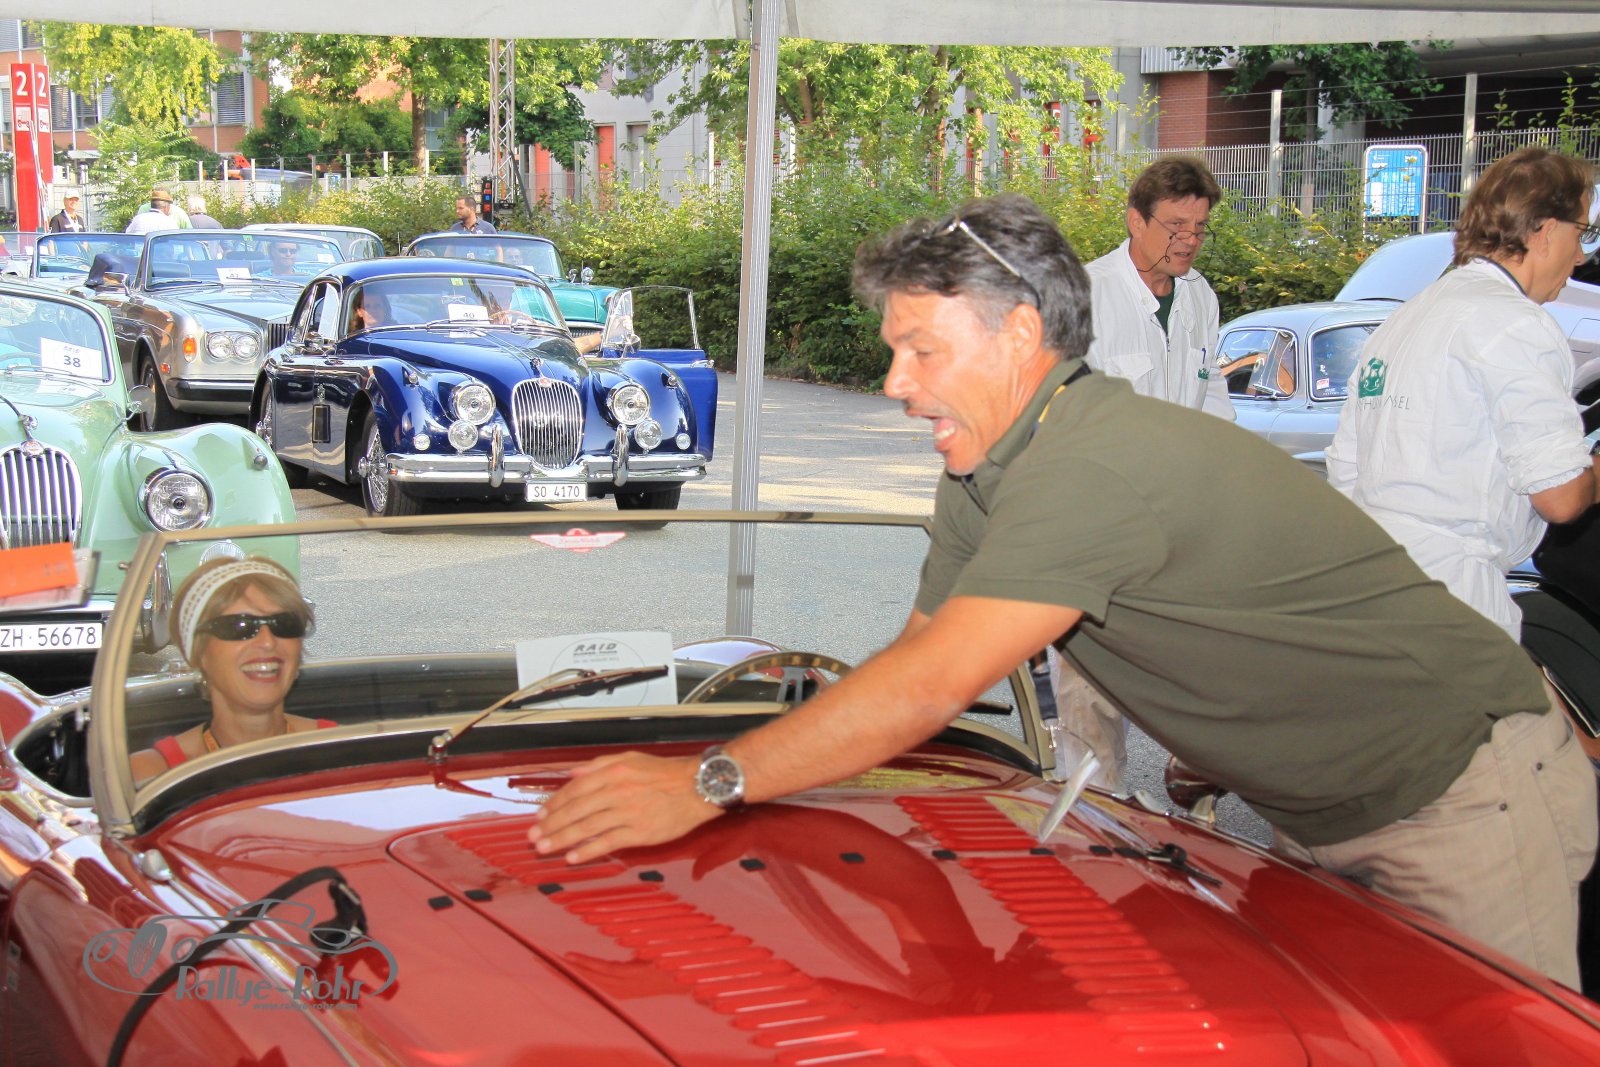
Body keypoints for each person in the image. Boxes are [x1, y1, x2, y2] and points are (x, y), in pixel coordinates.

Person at [528, 193, 1597, 988]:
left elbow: (930, 689)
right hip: (1324, 806)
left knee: (1497, 1040)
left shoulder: (1091, 464)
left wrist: (708, 781)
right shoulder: (982, 469)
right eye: (893, 352)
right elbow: (915, 656)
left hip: (1464, 792)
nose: (895, 383)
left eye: (920, 350)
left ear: (1021, 336)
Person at [1327, 145, 1600, 643]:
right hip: (1454, 601)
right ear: (1545, 230)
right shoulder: (1517, 324)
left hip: (1373, 587)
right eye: (1581, 232)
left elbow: (1346, 469)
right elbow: (1560, 497)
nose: (1581, 255)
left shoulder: (1407, 318)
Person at [1053, 156, 1233, 792]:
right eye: (1175, 227)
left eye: (1199, 228)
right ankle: (1091, 819)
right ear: (1135, 220)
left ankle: (1196, 805)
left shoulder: (1199, 297)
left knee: (1198, 672)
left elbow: (1211, 400)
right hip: (1097, 532)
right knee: (1090, 701)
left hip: (1176, 529)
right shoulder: (1086, 295)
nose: (1188, 241)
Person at [129, 557, 328, 783]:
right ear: (198, 653)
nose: (267, 642)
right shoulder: (149, 776)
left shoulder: (343, 750)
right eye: (239, 626)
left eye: (284, 624)